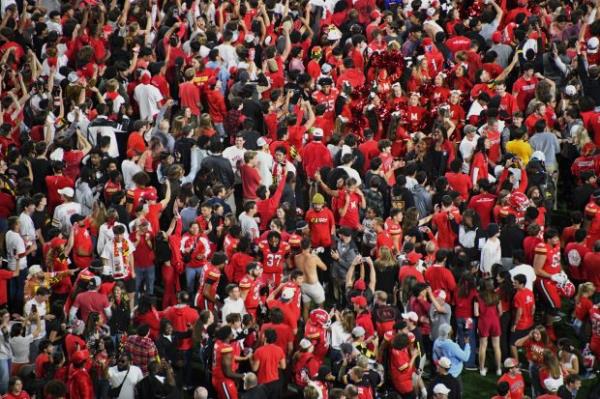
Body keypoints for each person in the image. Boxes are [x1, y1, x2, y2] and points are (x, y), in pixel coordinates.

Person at [251, 328, 286, 399]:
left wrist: (250, 359)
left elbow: (254, 368)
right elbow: (283, 366)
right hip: (276, 382)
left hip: (263, 383)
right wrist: (273, 363)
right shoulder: (279, 349)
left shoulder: (259, 351)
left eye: (263, 335)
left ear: (265, 338)